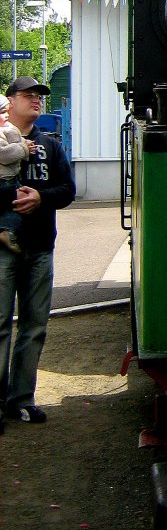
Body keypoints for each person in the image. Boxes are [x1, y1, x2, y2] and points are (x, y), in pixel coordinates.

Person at [0, 76, 75, 432]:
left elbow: (68, 189)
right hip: (2, 249)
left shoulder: (50, 145)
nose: (36, 101)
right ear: (10, 101)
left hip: (41, 247)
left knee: (34, 327)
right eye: (28, 95)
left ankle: (21, 400)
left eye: (39, 96)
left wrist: (41, 198)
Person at [0, 94, 38, 254]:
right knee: (13, 206)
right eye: (2, 112)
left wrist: (23, 144)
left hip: (11, 177)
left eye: (7, 111)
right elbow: (4, 154)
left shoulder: (5, 129)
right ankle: (6, 233)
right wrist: (23, 148)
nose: (7, 115)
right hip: (4, 179)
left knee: (12, 207)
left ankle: (8, 232)